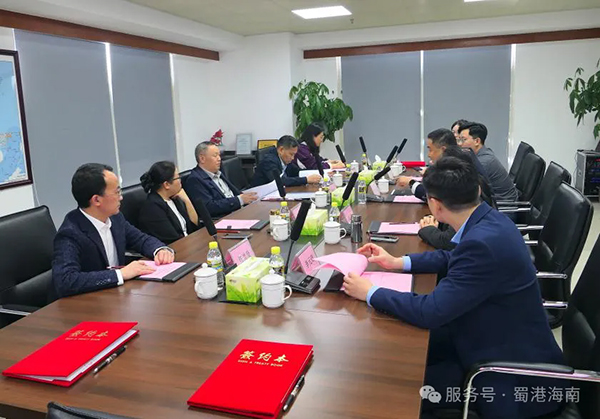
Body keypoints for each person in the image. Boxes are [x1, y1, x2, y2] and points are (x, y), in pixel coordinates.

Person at [343, 156, 565, 419]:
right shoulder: (489, 220)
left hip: (510, 377)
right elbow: (453, 257)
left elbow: (430, 311)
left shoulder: (482, 244)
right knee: (392, 356)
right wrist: (398, 262)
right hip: (491, 336)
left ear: (435, 205)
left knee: (394, 384)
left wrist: (370, 292)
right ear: (478, 190)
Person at [52, 163, 175, 298]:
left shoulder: (115, 218)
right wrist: (120, 274)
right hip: (88, 302)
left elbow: (140, 238)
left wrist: (159, 250)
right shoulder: (70, 232)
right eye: (117, 192)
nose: (121, 197)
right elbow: (65, 281)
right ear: (96, 200)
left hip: (118, 295)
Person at [184, 141, 258, 218]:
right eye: (215, 156)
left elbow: (235, 193)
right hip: (225, 218)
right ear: (202, 158)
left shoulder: (218, 173)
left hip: (239, 211)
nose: (219, 159)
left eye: (219, 155)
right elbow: (209, 207)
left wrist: (247, 197)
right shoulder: (195, 179)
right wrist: (239, 200)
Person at [138, 161, 199, 244]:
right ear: (166, 184)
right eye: (178, 178)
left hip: (188, 243)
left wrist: (187, 201)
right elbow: (173, 240)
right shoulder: (153, 208)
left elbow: (194, 226)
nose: (180, 180)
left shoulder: (174, 198)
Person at [459, 122, 518, 203]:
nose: (459, 144)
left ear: (477, 141)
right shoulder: (484, 153)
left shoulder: (483, 162)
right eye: (459, 140)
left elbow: (467, 187)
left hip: (502, 205)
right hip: (495, 201)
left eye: (463, 140)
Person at [250, 135, 322, 187]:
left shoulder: (285, 159)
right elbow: (280, 181)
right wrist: (306, 180)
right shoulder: (269, 161)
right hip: (257, 196)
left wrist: (315, 174)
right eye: (291, 154)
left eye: (294, 154)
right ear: (281, 150)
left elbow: (298, 172)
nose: (293, 158)